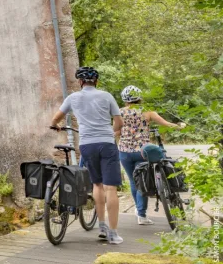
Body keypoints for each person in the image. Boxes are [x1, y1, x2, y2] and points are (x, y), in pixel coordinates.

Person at [51, 67, 124, 244]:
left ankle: (102, 226)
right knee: (110, 188)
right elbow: (119, 122)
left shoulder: (73, 98)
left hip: (87, 145)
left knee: (97, 184)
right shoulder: (106, 96)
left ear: (80, 82)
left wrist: (56, 125)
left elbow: (55, 119)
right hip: (106, 144)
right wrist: (111, 132)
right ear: (96, 81)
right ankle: (113, 234)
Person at [116, 85, 185, 225]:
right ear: (140, 97)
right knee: (143, 180)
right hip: (143, 152)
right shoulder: (147, 112)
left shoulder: (119, 112)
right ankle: (141, 215)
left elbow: (116, 132)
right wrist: (180, 126)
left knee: (133, 181)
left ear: (124, 99)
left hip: (124, 152)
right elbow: (166, 124)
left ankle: (139, 209)